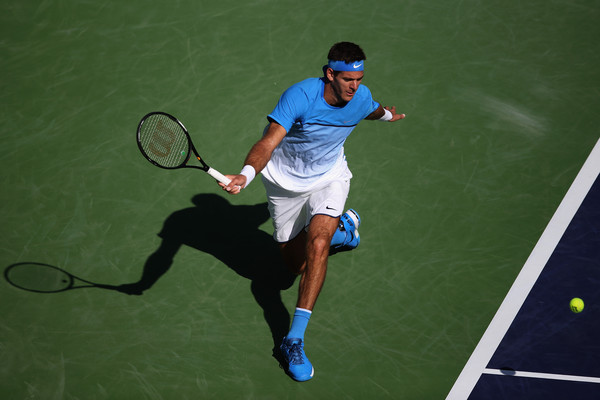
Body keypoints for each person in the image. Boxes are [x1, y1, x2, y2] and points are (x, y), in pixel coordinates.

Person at [219, 41, 405, 381]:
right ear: (330, 74)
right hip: (283, 183)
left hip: (330, 178)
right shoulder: (300, 97)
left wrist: (390, 115)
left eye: (360, 79)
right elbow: (269, 141)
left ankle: (293, 340)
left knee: (317, 244)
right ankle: (343, 229)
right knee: (293, 265)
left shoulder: (360, 98)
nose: (355, 86)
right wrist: (246, 174)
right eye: (348, 79)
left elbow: (373, 109)